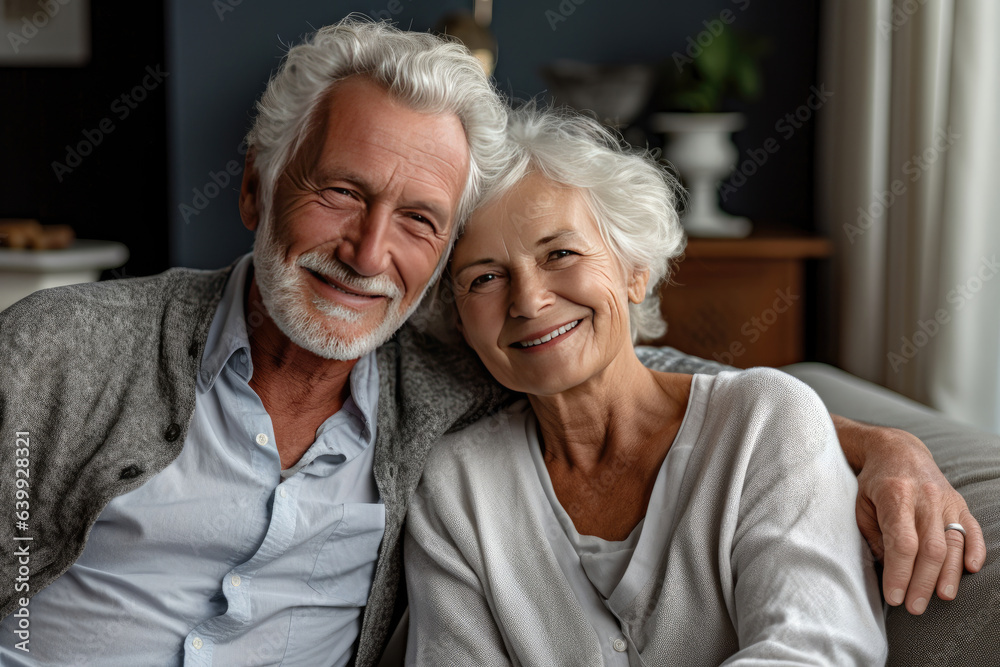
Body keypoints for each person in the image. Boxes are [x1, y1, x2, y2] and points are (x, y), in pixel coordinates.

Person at [0, 17, 984, 667]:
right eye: (340, 190)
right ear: (257, 188)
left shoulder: (446, 386)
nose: (369, 251)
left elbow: (635, 377)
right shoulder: (67, 352)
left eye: (421, 220)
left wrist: (879, 444)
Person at [402, 105, 881, 664]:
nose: (529, 300)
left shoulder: (765, 421)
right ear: (458, 320)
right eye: (484, 277)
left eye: (560, 253)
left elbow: (815, 651)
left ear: (633, 270)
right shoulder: (456, 487)